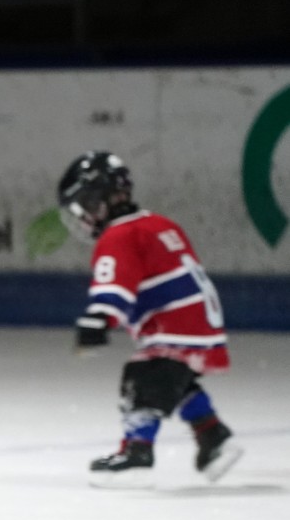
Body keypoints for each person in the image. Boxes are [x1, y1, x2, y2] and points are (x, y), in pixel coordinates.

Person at [58, 150, 243, 488]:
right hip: (202, 325)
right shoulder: (159, 224)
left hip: (175, 330)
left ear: (100, 200)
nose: (84, 216)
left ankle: (137, 454)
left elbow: (117, 285)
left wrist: (100, 317)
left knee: (142, 379)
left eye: (85, 204)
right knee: (175, 382)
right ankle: (213, 437)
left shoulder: (118, 236)